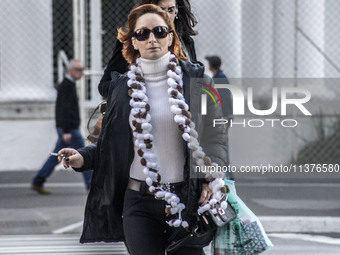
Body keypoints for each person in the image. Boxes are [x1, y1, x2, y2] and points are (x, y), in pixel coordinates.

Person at [59, 5, 227, 254]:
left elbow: (216, 136)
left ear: (170, 37)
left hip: (186, 199)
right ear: (133, 42)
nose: (152, 39)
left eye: (160, 32)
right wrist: (82, 157)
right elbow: (111, 144)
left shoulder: (197, 80)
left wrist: (209, 178)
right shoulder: (121, 89)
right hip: (139, 202)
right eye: (142, 34)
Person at [98, 0, 197, 88]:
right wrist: (132, 89)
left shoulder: (186, 42)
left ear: (176, 12)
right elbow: (105, 85)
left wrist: (198, 106)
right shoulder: (135, 40)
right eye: (161, 10)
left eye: (170, 10)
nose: (166, 15)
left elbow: (199, 97)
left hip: (181, 104)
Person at [31, 60, 92, 194]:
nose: (82, 72)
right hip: (69, 129)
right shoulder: (66, 86)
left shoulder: (68, 85)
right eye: (79, 69)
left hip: (68, 128)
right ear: (71, 70)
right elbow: (64, 110)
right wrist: (66, 130)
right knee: (83, 154)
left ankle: (38, 180)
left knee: (58, 154)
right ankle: (91, 184)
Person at [206, 55, 234, 179]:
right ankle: (226, 175)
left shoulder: (219, 80)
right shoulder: (220, 78)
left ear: (211, 65)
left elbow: (223, 101)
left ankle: (227, 176)